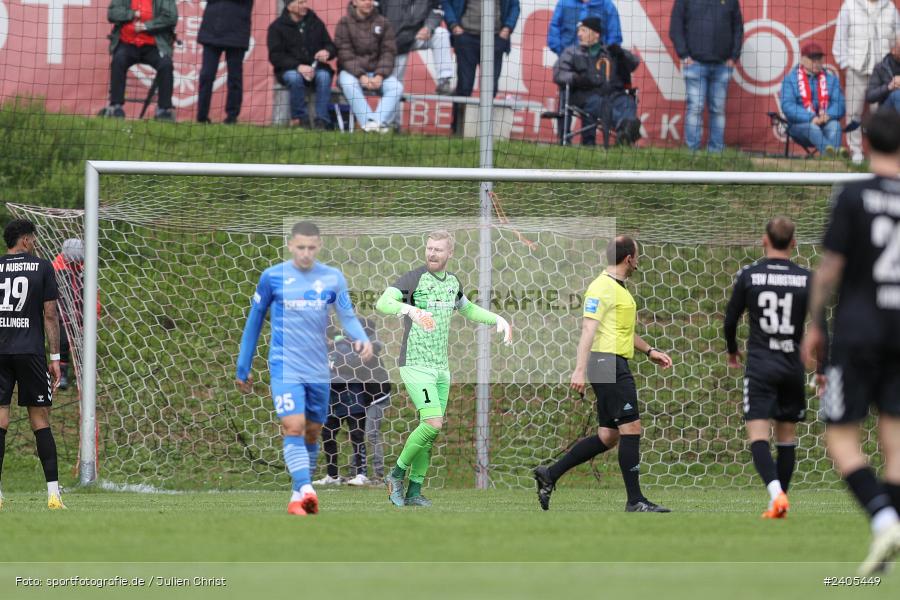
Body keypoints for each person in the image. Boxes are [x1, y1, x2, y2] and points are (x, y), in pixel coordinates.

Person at [802, 110, 900, 574]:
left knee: (842, 436)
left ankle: (884, 519)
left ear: (866, 145)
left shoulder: (854, 195)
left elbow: (830, 271)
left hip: (859, 331)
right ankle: (893, 524)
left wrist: (815, 323)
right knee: (896, 444)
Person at [235, 221, 373, 516]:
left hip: (318, 369)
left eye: (311, 247)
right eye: (301, 247)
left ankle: (298, 497)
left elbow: (347, 316)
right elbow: (254, 320)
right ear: (290, 245)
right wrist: (243, 365)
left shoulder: (332, 278)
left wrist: (361, 338)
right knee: (293, 427)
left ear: (319, 246)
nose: (306, 253)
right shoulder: (272, 277)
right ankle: (307, 488)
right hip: (285, 365)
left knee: (311, 433)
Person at [533, 235, 673, 513]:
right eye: (637, 255)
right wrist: (579, 369)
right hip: (606, 362)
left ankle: (549, 474)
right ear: (629, 258)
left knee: (608, 436)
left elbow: (623, 330)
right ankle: (635, 501)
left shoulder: (619, 289)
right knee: (631, 427)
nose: (638, 260)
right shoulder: (601, 288)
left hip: (613, 361)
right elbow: (588, 329)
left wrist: (649, 351)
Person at [376, 230, 512, 507]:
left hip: (441, 368)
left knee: (430, 430)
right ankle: (395, 475)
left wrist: (497, 318)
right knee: (432, 423)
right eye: (429, 248)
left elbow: (468, 309)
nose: (432, 253)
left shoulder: (452, 283)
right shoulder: (413, 279)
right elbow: (383, 302)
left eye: (438, 249)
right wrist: (410, 310)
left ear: (450, 253)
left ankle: (414, 491)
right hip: (415, 363)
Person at [723, 217, 811, 519]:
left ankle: (776, 495)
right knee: (786, 436)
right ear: (794, 243)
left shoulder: (750, 275)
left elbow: (730, 319)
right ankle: (779, 505)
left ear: (764, 240)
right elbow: (820, 325)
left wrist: (733, 351)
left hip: (761, 365)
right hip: (792, 366)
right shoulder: (805, 278)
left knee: (758, 435)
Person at [0, 220, 64, 511]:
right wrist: (55, 359)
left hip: (1, 352)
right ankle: (53, 496)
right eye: (34, 238)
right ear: (25, 240)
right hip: (30, 353)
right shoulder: (42, 267)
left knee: (0, 421)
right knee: (40, 420)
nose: (36, 242)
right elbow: (50, 315)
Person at [317, 318, 391, 486]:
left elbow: (356, 364)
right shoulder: (347, 345)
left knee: (369, 434)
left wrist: (335, 362)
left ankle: (377, 476)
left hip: (376, 396)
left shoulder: (368, 348)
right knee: (355, 433)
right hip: (361, 397)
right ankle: (353, 473)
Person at [552, 17, 641, 146]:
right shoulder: (571, 52)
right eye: (579, 31)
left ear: (596, 34)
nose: (579, 34)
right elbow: (558, 73)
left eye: (583, 30)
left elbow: (634, 63)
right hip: (586, 95)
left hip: (613, 94)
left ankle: (625, 134)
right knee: (601, 104)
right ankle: (626, 127)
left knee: (627, 102)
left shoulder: (609, 51)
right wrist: (576, 78)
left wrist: (622, 54)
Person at [669, 0, 743, 153]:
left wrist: (733, 57)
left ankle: (716, 151)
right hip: (695, 65)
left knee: (718, 109)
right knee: (695, 107)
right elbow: (675, 28)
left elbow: (738, 29)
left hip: (722, 66)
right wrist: (684, 55)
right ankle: (692, 152)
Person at [833, 0, 900, 164]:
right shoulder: (849, 5)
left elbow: (898, 35)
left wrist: (891, 62)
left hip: (883, 71)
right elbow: (840, 37)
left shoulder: (890, 7)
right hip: (856, 67)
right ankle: (856, 151)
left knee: (882, 115)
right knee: (853, 111)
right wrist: (845, 64)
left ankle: (879, 151)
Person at [442, 0, 520, 133]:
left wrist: (507, 29)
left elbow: (514, 7)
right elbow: (446, 3)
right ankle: (458, 130)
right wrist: (454, 25)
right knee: (464, 87)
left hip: (495, 39)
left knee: (490, 88)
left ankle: (484, 131)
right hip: (466, 38)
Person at [334, 0, 403, 133]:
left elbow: (388, 52)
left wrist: (380, 75)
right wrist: (361, 75)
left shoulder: (383, 22)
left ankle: (372, 125)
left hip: (377, 72)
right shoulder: (344, 23)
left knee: (396, 87)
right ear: (354, 2)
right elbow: (344, 54)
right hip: (351, 72)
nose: (368, 2)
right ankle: (374, 125)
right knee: (348, 85)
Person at [267, 0, 337, 129]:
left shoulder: (315, 22)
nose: (305, 5)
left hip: (317, 68)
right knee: (294, 78)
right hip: (289, 70)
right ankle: (300, 120)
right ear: (289, 6)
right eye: (300, 2)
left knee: (324, 76)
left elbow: (331, 45)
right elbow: (275, 56)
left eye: (305, 2)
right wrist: (298, 66)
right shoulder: (276, 27)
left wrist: (327, 52)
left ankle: (322, 120)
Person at [104, 0, 178, 121]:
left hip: (154, 45)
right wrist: (133, 14)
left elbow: (171, 17)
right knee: (118, 60)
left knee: (166, 64)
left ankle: (164, 110)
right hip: (127, 43)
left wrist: (146, 26)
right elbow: (112, 13)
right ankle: (116, 106)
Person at [779, 43, 847, 156]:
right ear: (802, 60)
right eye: (812, 59)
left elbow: (840, 104)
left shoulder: (831, 80)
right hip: (800, 126)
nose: (816, 63)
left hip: (825, 122)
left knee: (835, 126)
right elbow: (787, 106)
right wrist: (811, 118)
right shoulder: (790, 80)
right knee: (813, 128)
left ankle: (830, 160)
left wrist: (828, 115)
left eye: (819, 59)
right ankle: (835, 157)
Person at [51, 239, 102, 391]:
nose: (77, 263)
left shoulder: (86, 269)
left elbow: (94, 292)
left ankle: (84, 374)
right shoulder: (55, 269)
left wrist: (95, 311)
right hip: (62, 314)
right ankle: (63, 374)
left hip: (82, 313)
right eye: (75, 261)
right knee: (64, 343)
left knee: (84, 343)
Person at [380, 0, 454, 98]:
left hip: (417, 35)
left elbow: (437, 11)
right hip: (395, 42)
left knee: (441, 34)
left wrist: (428, 27)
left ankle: (444, 81)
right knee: (394, 88)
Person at [196, 0, 253, 124]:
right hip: (212, 31)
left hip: (237, 33)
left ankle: (232, 117)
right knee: (207, 75)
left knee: (234, 77)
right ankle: (202, 116)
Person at [547, 0, 622, 56]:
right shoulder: (564, 3)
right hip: (568, 61)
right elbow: (554, 27)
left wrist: (604, 55)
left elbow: (615, 36)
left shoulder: (607, 5)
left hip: (597, 63)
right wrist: (561, 52)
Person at [865, 35, 900, 114]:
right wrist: (889, 86)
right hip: (887, 112)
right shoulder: (881, 67)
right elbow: (869, 96)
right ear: (893, 50)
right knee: (897, 95)